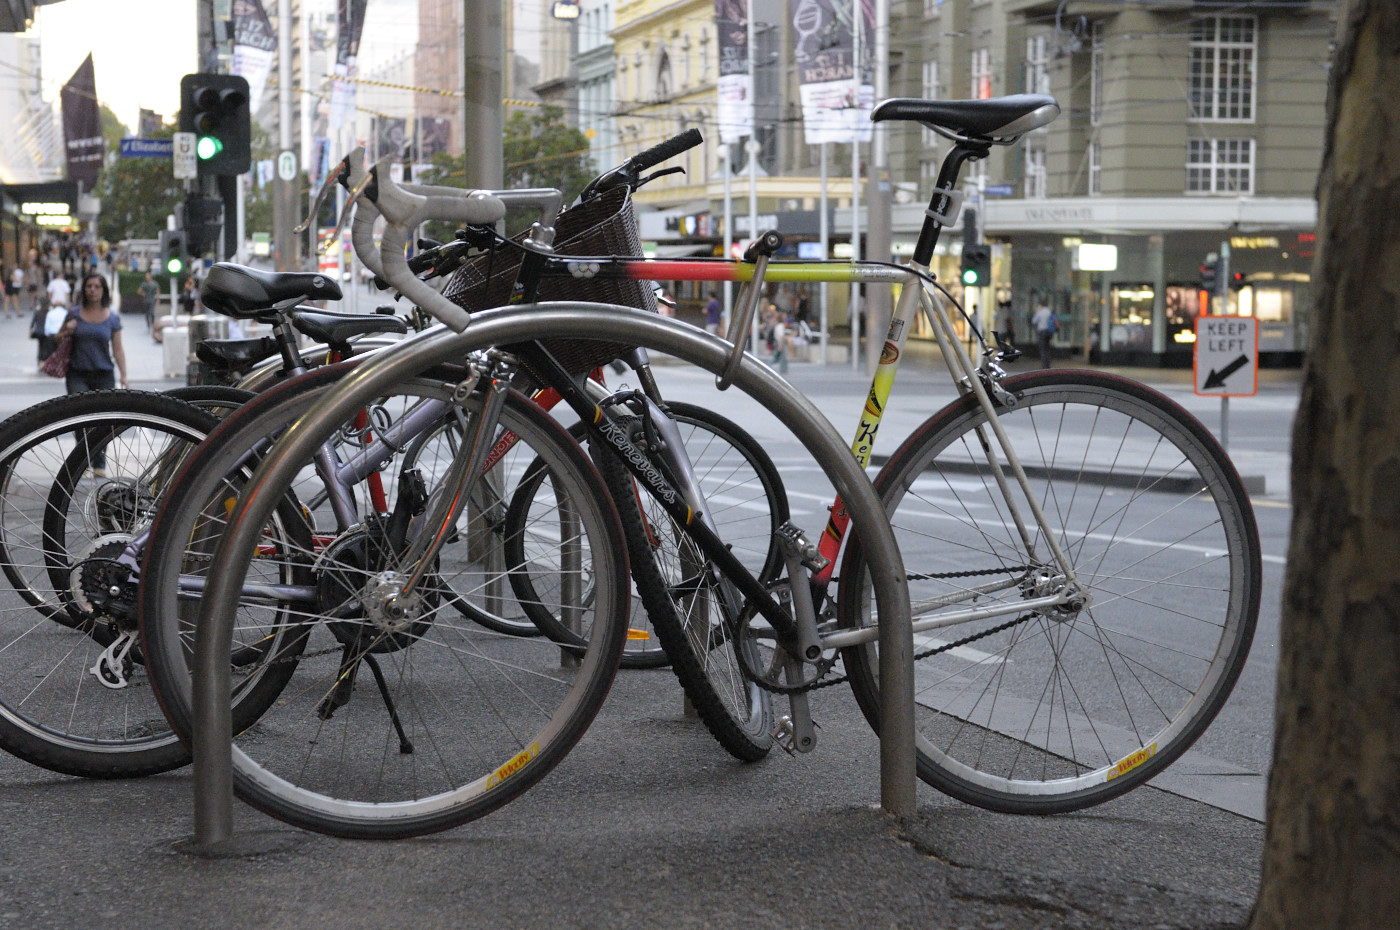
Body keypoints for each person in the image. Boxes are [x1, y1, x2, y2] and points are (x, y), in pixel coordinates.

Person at [1031, 298, 1055, 369]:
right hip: (1049, 332)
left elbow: (1034, 321)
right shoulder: (1049, 311)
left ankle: (1044, 365)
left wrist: (1037, 311)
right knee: (1047, 348)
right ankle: (1048, 364)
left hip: (1042, 332)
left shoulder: (1040, 312)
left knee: (1043, 349)